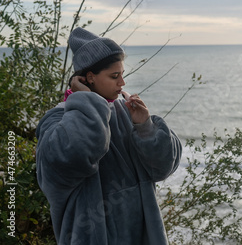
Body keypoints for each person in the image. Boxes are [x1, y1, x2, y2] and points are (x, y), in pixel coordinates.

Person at [36, 27, 182, 245]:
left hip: (144, 236)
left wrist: (145, 126)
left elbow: (162, 168)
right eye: (114, 76)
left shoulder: (126, 112)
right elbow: (75, 157)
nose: (122, 83)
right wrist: (87, 103)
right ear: (89, 78)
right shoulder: (57, 120)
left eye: (122, 74)